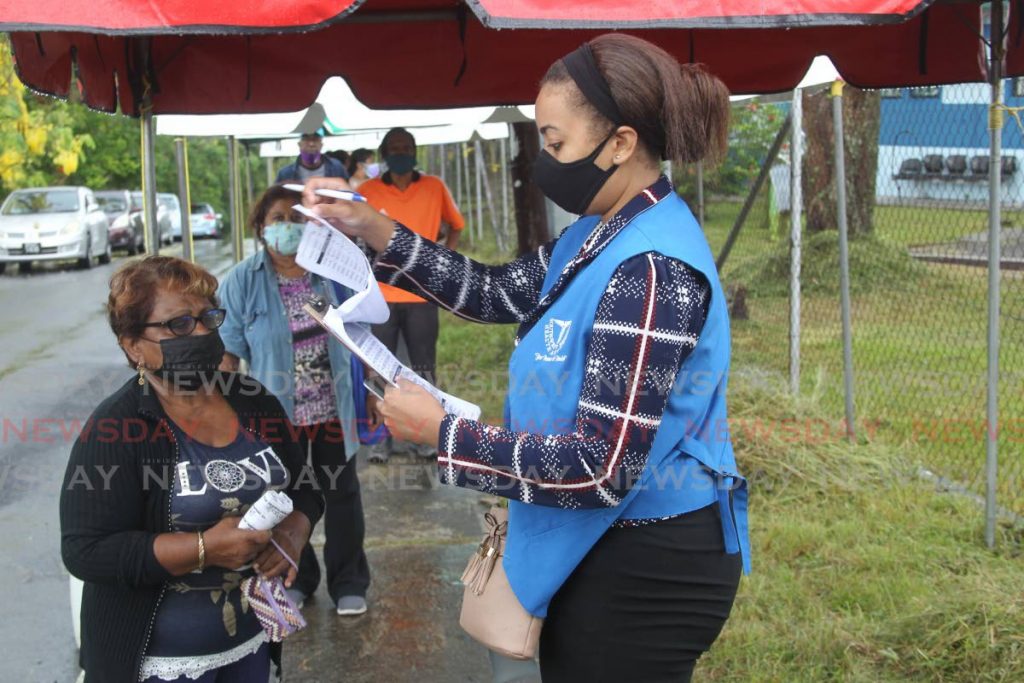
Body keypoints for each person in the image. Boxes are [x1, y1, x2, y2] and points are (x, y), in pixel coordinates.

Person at [301, 33, 749, 682]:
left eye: (556, 142)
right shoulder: (597, 232)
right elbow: (490, 291)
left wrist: (442, 432)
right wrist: (376, 230)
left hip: (646, 560)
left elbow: (603, 468)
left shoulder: (650, 268)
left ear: (620, 143)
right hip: (599, 540)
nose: (545, 160)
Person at [60, 256, 321, 682]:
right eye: (178, 324)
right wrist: (205, 548)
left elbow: (306, 486)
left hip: (252, 643)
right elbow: (85, 551)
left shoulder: (253, 400)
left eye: (207, 318)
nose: (199, 333)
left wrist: (294, 531)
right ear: (132, 345)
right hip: (158, 664)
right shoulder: (115, 428)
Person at [217, 185, 373, 617]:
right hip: (276, 416)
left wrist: (375, 387)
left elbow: (360, 332)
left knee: (341, 496)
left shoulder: (330, 275)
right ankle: (298, 579)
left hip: (332, 408)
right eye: (278, 219)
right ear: (261, 227)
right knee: (283, 500)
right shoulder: (242, 281)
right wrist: (223, 414)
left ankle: (349, 583)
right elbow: (228, 352)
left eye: (297, 219)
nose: (288, 227)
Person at [358, 127, 465, 463]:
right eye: (395, 148)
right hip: (380, 297)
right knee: (377, 370)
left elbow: (456, 225)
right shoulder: (367, 190)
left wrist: (443, 265)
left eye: (407, 147)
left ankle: (424, 438)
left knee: (422, 370)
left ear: (415, 151)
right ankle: (380, 439)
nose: (401, 152)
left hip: (422, 296)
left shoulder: (434, 187)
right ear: (384, 153)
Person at [275, 131, 349, 183]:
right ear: (299, 144)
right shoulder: (286, 173)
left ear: (321, 144)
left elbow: (347, 193)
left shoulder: (336, 168)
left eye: (315, 139)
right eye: (306, 139)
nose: (311, 144)